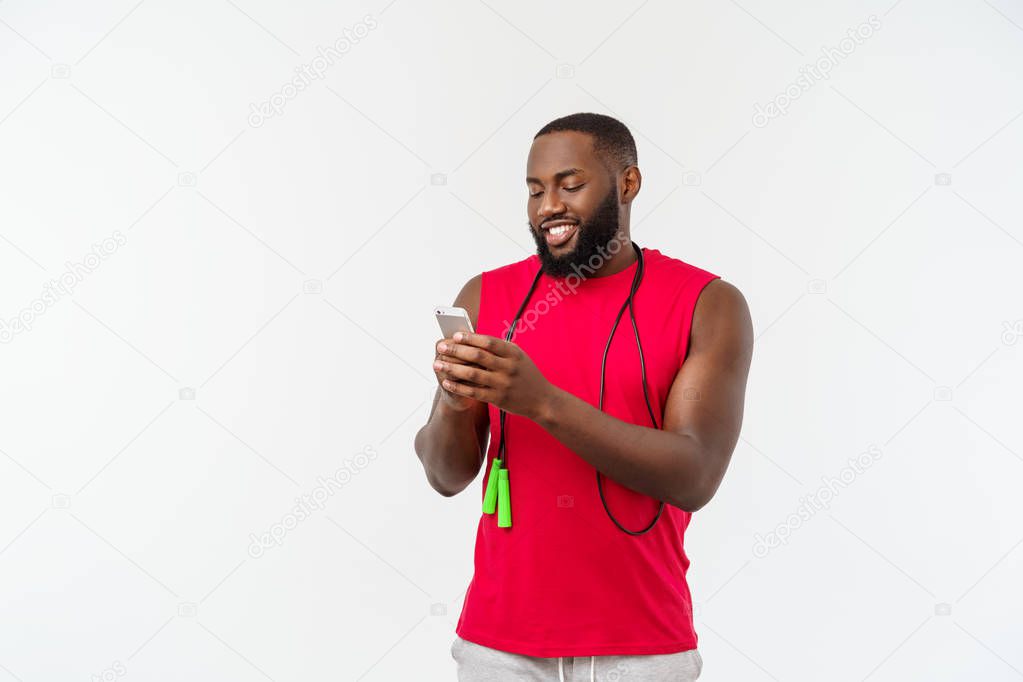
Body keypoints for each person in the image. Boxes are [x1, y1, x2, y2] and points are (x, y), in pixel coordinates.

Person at [414, 112, 753, 681]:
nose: (548, 206)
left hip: (641, 650)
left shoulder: (707, 303)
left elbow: (695, 476)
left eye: (570, 185)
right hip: (498, 647)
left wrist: (541, 402)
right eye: (534, 190)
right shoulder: (486, 293)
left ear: (628, 184)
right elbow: (446, 475)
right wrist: (453, 402)